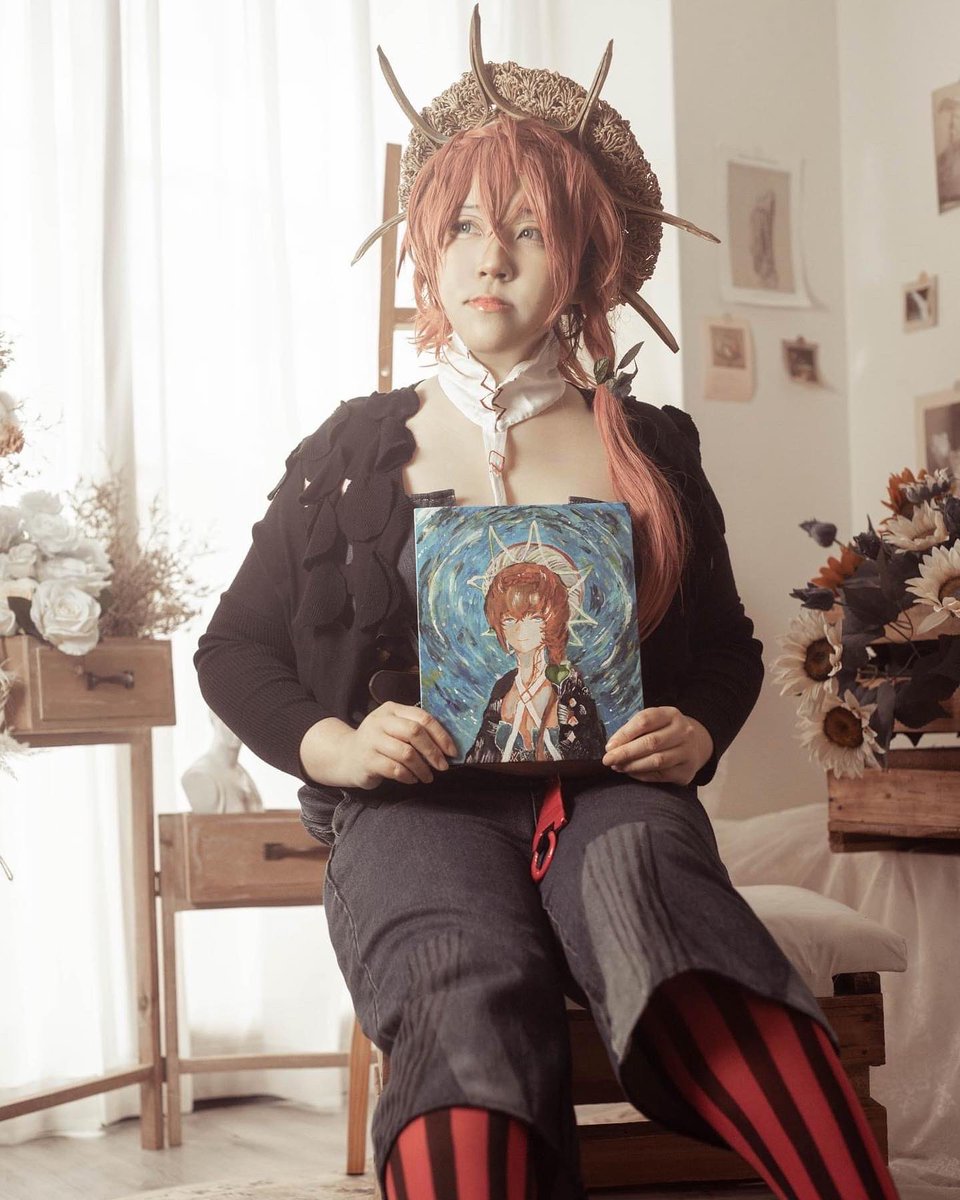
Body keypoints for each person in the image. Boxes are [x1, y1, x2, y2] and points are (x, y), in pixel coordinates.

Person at [194, 10, 900, 1199]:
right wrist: (338, 744)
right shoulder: (351, 450)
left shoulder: (651, 446)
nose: (491, 257)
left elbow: (726, 651)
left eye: (530, 230)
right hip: (413, 812)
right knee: (457, 974)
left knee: (663, 913)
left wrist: (697, 732)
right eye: (465, 226)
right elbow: (233, 648)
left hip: (613, 799)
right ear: (428, 248)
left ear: (583, 261)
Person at [464, 559, 607, 764]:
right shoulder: (502, 688)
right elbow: (479, 756)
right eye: (509, 619)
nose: (521, 629)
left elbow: (593, 753)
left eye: (534, 617)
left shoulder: (568, 684)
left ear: (551, 620)